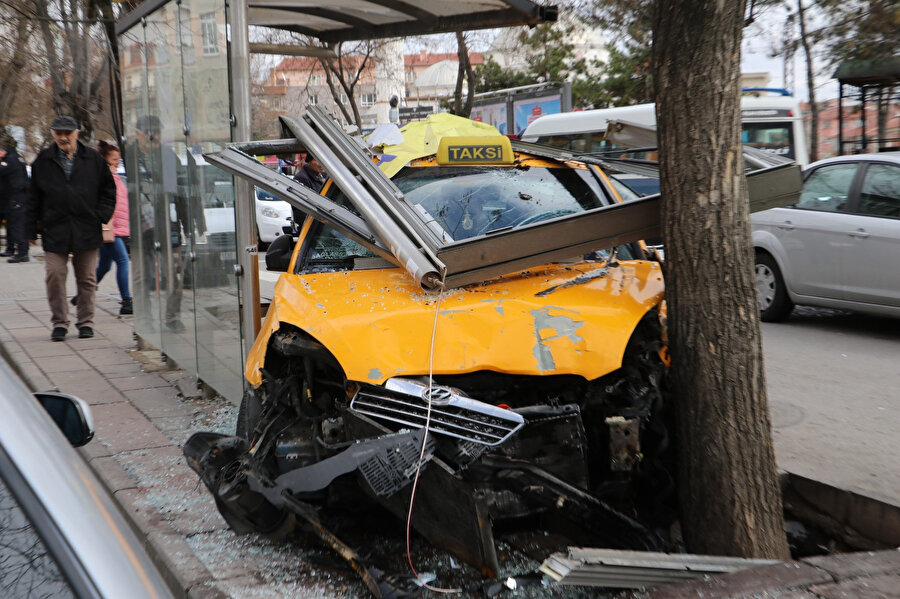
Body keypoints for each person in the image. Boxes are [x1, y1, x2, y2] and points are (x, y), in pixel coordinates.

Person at [25, 115, 116, 341]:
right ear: (53, 134)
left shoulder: (93, 159)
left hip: (86, 227)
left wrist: (100, 216)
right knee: (54, 275)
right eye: (59, 133)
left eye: (67, 133)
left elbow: (108, 191)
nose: (63, 137)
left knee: (87, 278)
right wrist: (30, 229)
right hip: (55, 228)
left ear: (76, 133)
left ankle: (85, 322)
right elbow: (33, 197)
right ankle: (59, 322)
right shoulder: (43, 161)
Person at [94, 140, 132, 315]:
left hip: (115, 228)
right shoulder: (104, 178)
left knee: (104, 266)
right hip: (110, 228)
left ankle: (83, 293)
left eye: (118, 159)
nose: (117, 162)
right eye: (114, 159)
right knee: (123, 261)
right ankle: (126, 302)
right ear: (105, 160)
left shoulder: (114, 176)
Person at [0, 132, 29, 262]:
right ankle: (12, 249)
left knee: (17, 224)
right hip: (14, 196)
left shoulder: (10, 160)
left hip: (16, 196)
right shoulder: (16, 157)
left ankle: (22, 253)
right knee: (12, 224)